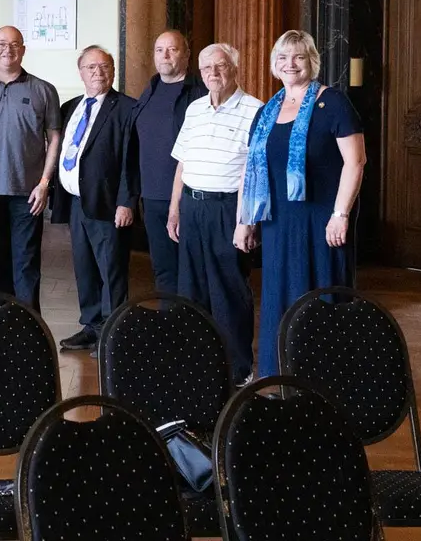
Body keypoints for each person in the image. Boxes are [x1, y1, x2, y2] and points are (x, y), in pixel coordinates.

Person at [236, 30, 365, 378]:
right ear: (274, 65)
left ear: (312, 61)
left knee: (319, 297)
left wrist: (341, 215)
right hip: (279, 225)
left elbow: (356, 162)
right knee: (280, 298)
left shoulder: (333, 103)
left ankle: (324, 379)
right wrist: (244, 221)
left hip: (322, 222)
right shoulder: (268, 110)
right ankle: (280, 376)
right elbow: (251, 171)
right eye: (282, 57)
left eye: (298, 57)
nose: (290, 64)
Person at [166, 43, 263, 381]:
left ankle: (238, 368)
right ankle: (197, 361)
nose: (213, 73)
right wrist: (175, 209)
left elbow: (253, 173)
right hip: (192, 205)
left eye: (220, 66)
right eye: (206, 68)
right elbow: (182, 163)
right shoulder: (194, 109)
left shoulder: (255, 110)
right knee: (191, 288)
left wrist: (244, 221)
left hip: (228, 209)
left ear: (235, 69)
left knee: (228, 290)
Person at [0, 26, 63, 309]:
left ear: (23, 50)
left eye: (15, 44)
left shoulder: (43, 90)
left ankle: (30, 327)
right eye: (2, 44)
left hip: (28, 193)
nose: (8, 49)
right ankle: (2, 321)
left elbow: (54, 137)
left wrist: (44, 183)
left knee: (27, 263)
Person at [47, 45, 138, 353]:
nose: (98, 72)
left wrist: (126, 201)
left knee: (111, 269)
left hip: (108, 203)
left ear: (112, 71)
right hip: (76, 201)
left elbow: (131, 159)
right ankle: (91, 326)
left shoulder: (126, 108)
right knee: (84, 267)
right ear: (81, 72)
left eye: (104, 67)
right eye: (91, 67)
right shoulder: (70, 106)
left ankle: (113, 333)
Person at [131, 30, 206, 296]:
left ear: (186, 55)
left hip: (188, 196)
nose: (165, 55)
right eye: (159, 49)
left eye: (172, 49)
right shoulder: (149, 89)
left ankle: (192, 329)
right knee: (163, 268)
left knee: (191, 270)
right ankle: (170, 328)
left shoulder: (200, 93)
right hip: (152, 197)